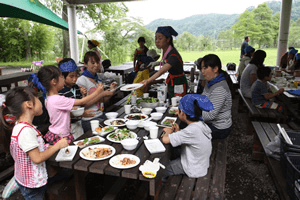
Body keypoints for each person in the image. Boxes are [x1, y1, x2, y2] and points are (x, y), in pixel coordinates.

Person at [0, 87, 69, 200]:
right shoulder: (26, 131)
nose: (41, 101)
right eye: (37, 98)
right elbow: (36, 158)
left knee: (63, 174)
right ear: (29, 104)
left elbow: (32, 148)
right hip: (31, 183)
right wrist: (58, 146)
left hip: (26, 178)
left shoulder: (22, 126)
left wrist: (48, 147)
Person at [29, 65, 105, 145]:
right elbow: (82, 101)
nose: (63, 80)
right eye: (62, 77)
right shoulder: (58, 99)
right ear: (54, 81)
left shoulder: (48, 98)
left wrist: (77, 112)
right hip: (61, 136)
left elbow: (60, 114)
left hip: (56, 133)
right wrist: (98, 92)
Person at [161, 94, 214, 183]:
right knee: (174, 151)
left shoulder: (191, 130)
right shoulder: (200, 124)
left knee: (162, 170)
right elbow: (189, 137)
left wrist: (168, 132)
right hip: (200, 163)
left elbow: (165, 140)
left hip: (193, 168)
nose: (177, 113)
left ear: (182, 112)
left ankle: (161, 190)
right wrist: (178, 131)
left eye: (178, 111)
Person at [58, 58, 112, 139]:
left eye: (76, 75)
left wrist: (83, 95)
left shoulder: (76, 87)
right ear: (62, 76)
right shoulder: (61, 92)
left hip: (78, 124)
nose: (75, 79)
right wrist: (98, 93)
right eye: (71, 76)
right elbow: (64, 112)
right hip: (65, 127)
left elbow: (81, 105)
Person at [142, 26, 188, 99]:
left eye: (160, 38)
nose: (157, 41)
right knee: (171, 102)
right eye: (156, 38)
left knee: (177, 105)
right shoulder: (165, 50)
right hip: (172, 80)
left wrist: (148, 81)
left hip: (178, 82)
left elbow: (161, 71)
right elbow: (166, 63)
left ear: (168, 39)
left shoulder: (173, 55)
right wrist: (157, 63)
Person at [76, 51, 116, 132]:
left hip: (100, 114)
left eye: (98, 62)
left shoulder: (97, 79)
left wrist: (111, 92)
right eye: (93, 62)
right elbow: (83, 105)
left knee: (116, 125)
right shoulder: (81, 80)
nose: (96, 65)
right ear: (85, 64)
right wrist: (101, 95)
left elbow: (102, 101)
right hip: (89, 119)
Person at [200, 54, 232, 139]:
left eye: (205, 68)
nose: (202, 71)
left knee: (189, 133)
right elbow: (202, 99)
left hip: (219, 128)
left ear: (215, 69)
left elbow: (209, 115)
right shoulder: (210, 82)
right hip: (210, 122)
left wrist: (190, 113)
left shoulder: (220, 88)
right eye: (201, 68)